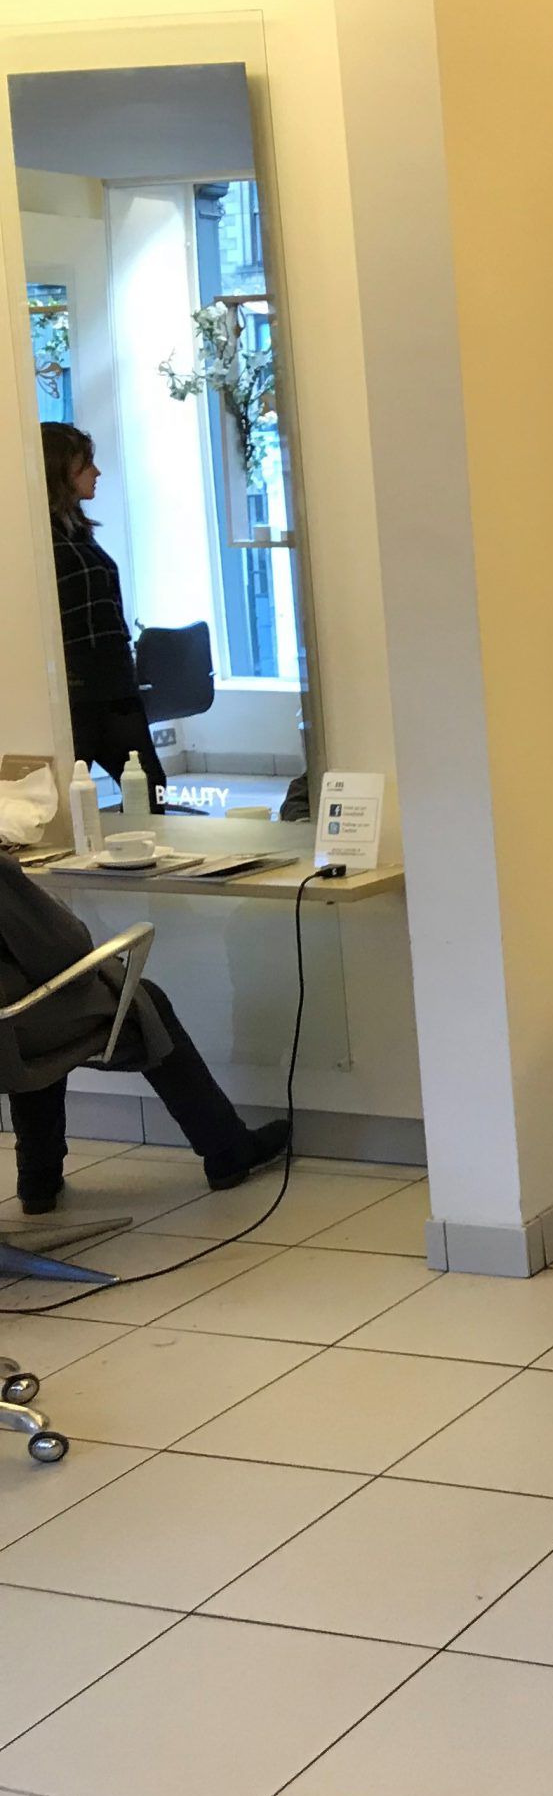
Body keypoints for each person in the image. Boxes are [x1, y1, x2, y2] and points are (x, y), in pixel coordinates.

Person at [3, 853, 288, 1216]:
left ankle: (38, 1176)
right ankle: (227, 1148)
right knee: (141, 1000)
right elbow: (65, 950)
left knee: (33, 1010)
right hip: (13, 1029)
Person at [43, 423, 162, 815]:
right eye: (86, 463)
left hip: (113, 681)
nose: (97, 472)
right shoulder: (42, 536)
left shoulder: (76, 531)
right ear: (60, 470)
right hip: (78, 686)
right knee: (59, 800)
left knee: (149, 787)